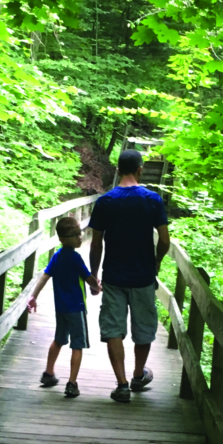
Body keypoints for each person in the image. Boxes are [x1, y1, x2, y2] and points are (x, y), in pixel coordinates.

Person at [88, 149, 170, 403]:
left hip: (114, 276)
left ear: (117, 170)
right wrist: (156, 263)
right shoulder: (152, 199)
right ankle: (137, 375)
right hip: (143, 276)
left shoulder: (105, 201)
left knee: (114, 328)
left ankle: (122, 384)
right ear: (140, 170)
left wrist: (93, 274)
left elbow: (96, 243)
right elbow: (164, 240)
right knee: (143, 328)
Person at [27, 216, 101, 398]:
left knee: (59, 340)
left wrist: (33, 296)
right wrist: (97, 287)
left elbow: (45, 276)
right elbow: (88, 277)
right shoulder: (75, 258)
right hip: (76, 307)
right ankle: (72, 383)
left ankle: (48, 373)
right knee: (78, 345)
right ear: (63, 238)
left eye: (80, 233)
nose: (80, 237)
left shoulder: (57, 256)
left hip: (61, 308)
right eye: (75, 235)